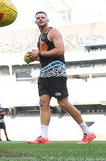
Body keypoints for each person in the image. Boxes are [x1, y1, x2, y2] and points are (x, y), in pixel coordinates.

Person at [25, 11, 96, 145]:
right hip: (45, 72)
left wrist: (39, 53)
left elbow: (60, 50)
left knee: (63, 103)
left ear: (47, 20)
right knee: (43, 102)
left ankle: (88, 132)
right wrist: (35, 57)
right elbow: (45, 55)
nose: (40, 19)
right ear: (35, 22)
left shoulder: (53, 32)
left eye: (42, 17)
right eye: (38, 18)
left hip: (56, 70)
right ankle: (44, 137)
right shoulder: (40, 36)